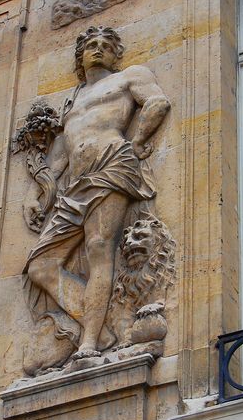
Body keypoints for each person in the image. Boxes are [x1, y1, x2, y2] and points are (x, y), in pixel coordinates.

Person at [23, 26, 170, 360]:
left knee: (100, 248)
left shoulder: (129, 76)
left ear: (116, 53)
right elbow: (61, 150)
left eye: (106, 45)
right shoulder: (72, 99)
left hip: (111, 165)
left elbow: (157, 102)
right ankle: (102, 331)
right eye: (91, 44)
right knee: (41, 266)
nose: (99, 48)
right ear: (81, 55)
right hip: (74, 185)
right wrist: (37, 191)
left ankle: (89, 342)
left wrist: (139, 141)